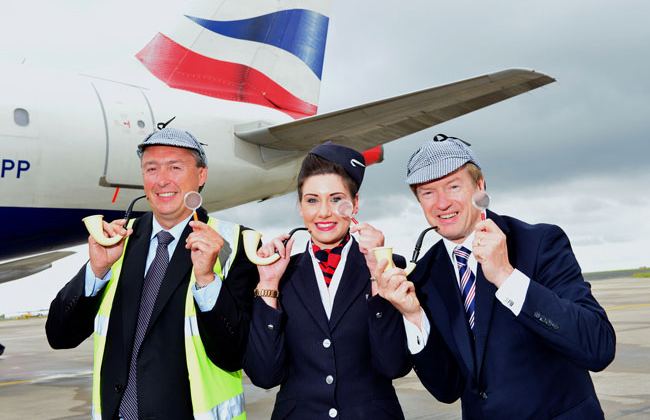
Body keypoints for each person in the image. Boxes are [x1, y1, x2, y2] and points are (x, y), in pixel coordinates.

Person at [374, 134, 616, 420]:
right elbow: (448, 389)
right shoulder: (425, 274)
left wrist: (507, 276)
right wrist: (414, 316)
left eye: (453, 186)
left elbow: (598, 347)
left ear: (479, 187)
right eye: (428, 193)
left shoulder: (538, 243)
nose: (441, 203)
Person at [46, 127, 258, 420]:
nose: (161, 180)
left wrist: (207, 279)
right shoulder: (118, 240)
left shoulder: (236, 244)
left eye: (175, 167)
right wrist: (97, 269)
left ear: (202, 175)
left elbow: (235, 353)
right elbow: (59, 336)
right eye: (151, 168)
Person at [243, 143, 411, 420]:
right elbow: (264, 375)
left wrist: (377, 275)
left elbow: (393, 366)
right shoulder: (279, 275)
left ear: (355, 204)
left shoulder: (392, 267)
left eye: (336, 199)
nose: (323, 212)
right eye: (311, 200)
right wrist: (269, 284)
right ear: (299, 206)